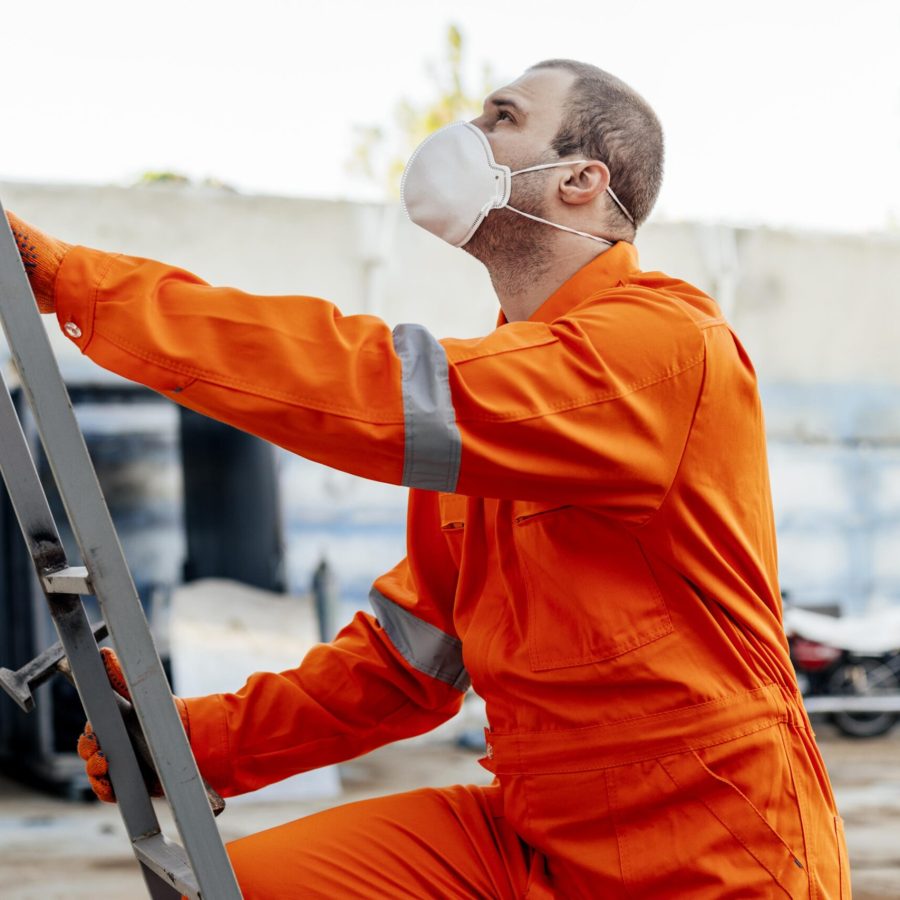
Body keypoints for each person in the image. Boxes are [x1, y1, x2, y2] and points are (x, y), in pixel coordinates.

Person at [7, 59, 848, 898]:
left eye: (501, 118)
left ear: (581, 180)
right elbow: (403, 665)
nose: (465, 135)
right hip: (533, 827)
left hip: (710, 832)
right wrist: (195, 744)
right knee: (245, 888)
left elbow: (364, 387)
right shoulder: (505, 401)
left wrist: (76, 283)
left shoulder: (662, 345)